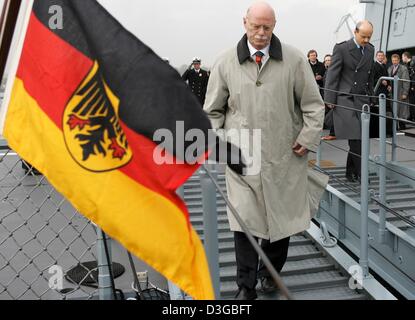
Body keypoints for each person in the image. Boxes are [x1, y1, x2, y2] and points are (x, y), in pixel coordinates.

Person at [204, 1, 326, 299]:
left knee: (279, 223)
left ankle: (271, 272)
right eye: (256, 26)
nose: (261, 33)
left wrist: (307, 138)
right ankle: (246, 287)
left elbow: (313, 106)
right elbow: (212, 113)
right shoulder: (225, 62)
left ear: (274, 26)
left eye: (267, 27)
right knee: (244, 223)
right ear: (244, 23)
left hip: (284, 157)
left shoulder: (295, 60)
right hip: (241, 160)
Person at [324, 20, 375, 183]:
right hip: (344, 98)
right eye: (363, 37)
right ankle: (362, 173)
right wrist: (329, 99)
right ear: (355, 31)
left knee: (358, 138)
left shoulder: (370, 49)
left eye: (369, 37)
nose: (366, 40)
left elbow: (370, 75)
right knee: (356, 136)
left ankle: (350, 172)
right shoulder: (342, 48)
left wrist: (371, 95)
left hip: (361, 98)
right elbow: (333, 74)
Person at [388, 54, 410, 130]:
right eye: (393, 60)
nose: (394, 62)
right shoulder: (390, 68)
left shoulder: (403, 68)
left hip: (400, 92)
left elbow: (406, 81)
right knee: (394, 109)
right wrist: (388, 86)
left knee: (401, 110)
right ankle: (395, 126)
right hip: (392, 92)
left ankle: (402, 126)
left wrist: (405, 93)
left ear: (399, 60)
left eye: (396, 60)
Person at [322, 54, 336, 140]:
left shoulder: (332, 71)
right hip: (326, 96)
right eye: (326, 60)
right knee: (330, 115)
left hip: (331, 97)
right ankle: (333, 133)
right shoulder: (327, 71)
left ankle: (333, 133)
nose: (327, 62)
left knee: (332, 115)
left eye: (329, 60)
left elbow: (333, 86)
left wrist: (331, 100)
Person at [402, 52, 415, 121]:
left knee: (412, 102)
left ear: (405, 57)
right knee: (411, 102)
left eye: (402, 57)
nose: (402, 59)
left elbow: (413, 76)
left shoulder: (411, 65)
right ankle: (411, 116)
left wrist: (413, 86)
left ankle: (413, 117)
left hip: (412, 87)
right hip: (411, 86)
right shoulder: (408, 65)